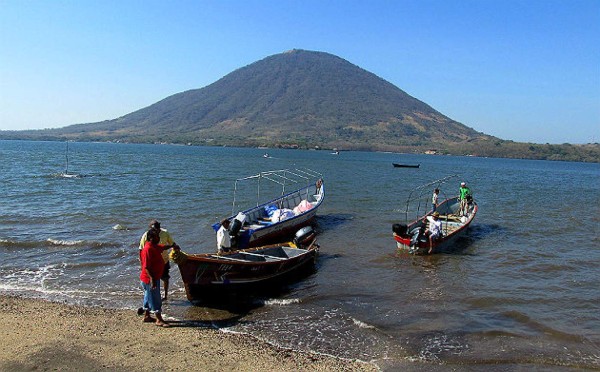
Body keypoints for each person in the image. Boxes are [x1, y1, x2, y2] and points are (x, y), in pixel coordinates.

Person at [139, 228, 177, 327]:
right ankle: (159, 319)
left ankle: (147, 316)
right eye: (157, 236)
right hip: (149, 279)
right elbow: (146, 267)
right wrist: (152, 280)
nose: (159, 238)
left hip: (153, 277)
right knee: (156, 298)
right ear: (151, 238)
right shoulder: (148, 249)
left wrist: (172, 246)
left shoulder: (154, 246)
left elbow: (163, 247)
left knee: (148, 296)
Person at [139, 220, 175, 301]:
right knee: (152, 284)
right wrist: (142, 264)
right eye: (155, 230)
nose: (157, 232)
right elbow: (141, 250)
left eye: (158, 230)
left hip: (164, 261)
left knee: (165, 278)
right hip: (152, 264)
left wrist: (174, 246)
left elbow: (165, 246)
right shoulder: (146, 235)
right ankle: (152, 305)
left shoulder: (165, 233)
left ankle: (165, 296)